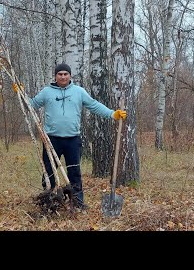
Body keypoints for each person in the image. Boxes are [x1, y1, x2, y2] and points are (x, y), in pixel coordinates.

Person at [13, 63, 126, 210]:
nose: (63, 76)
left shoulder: (78, 92)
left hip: (73, 140)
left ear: (70, 75)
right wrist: (21, 93)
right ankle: (49, 201)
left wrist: (112, 114)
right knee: (49, 171)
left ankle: (77, 203)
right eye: (60, 74)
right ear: (55, 76)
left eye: (65, 74)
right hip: (51, 140)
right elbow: (31, 105)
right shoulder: (47, 92)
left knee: (74, 171)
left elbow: (94, 105)